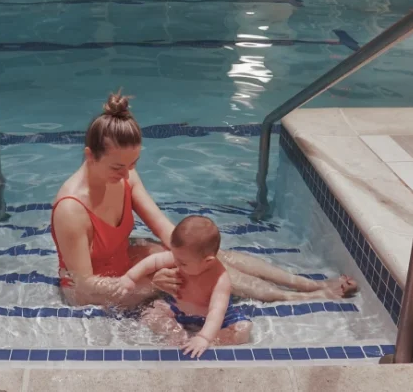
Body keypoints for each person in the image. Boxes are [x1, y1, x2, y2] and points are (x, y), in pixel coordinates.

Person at [49, 92, 358, 308]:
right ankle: (306, 298)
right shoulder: (72, 210)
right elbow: (85, 288)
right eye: (118, 167)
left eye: (133, 164)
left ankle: (307, 283)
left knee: (202, 254)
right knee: (191, 270)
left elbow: (164, 229)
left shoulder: (125, 175)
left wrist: (192, 251)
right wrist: (153, 285)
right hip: (97, 291)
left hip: (125, 262)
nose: (128, 173)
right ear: (89, 156)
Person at [119, 215, 250, 358]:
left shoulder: (220, 280)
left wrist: (204, 337)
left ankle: (212, 341)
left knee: (242, 329)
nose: (176, 263)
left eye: (182, 263)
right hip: (178, 309)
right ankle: (177, 335)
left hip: (214, 318)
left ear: (207, 261)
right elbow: (154, 261)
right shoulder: (183, 257)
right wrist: (130, 277)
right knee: (151, 314)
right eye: (175, 257)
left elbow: (215, 312)